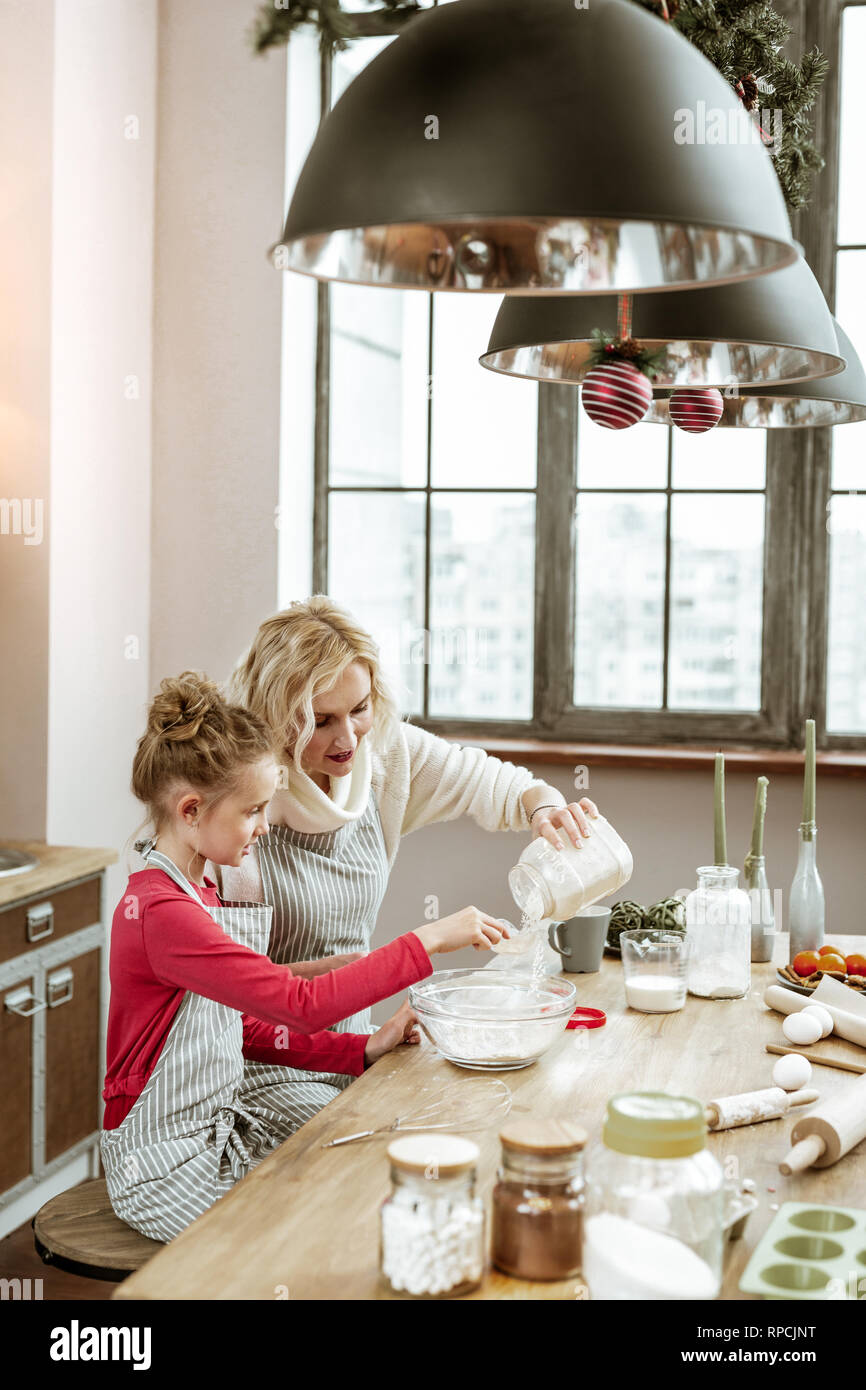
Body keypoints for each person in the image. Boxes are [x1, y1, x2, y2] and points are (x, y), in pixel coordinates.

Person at [101, 671, 507, 1242]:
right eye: (252, 811)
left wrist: (360, 1048)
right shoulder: (162, 913)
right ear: (190, 810)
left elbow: (242, 1028)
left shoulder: (197, 891)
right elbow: (299, 1005)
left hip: (212, 1134)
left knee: (352, 1174)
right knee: (317, 1227)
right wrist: (430, 939)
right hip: (162, 1164)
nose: (265, 828)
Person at [212, 596, 599, 1110]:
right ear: (274, 714)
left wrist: (543, 808)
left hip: (358, 1047)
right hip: (262, 1067)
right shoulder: (237, 807)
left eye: (359, 709)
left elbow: (497, 784)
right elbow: (227, 1007)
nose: (347, 738)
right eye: (320, 719)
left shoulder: (384, 761)